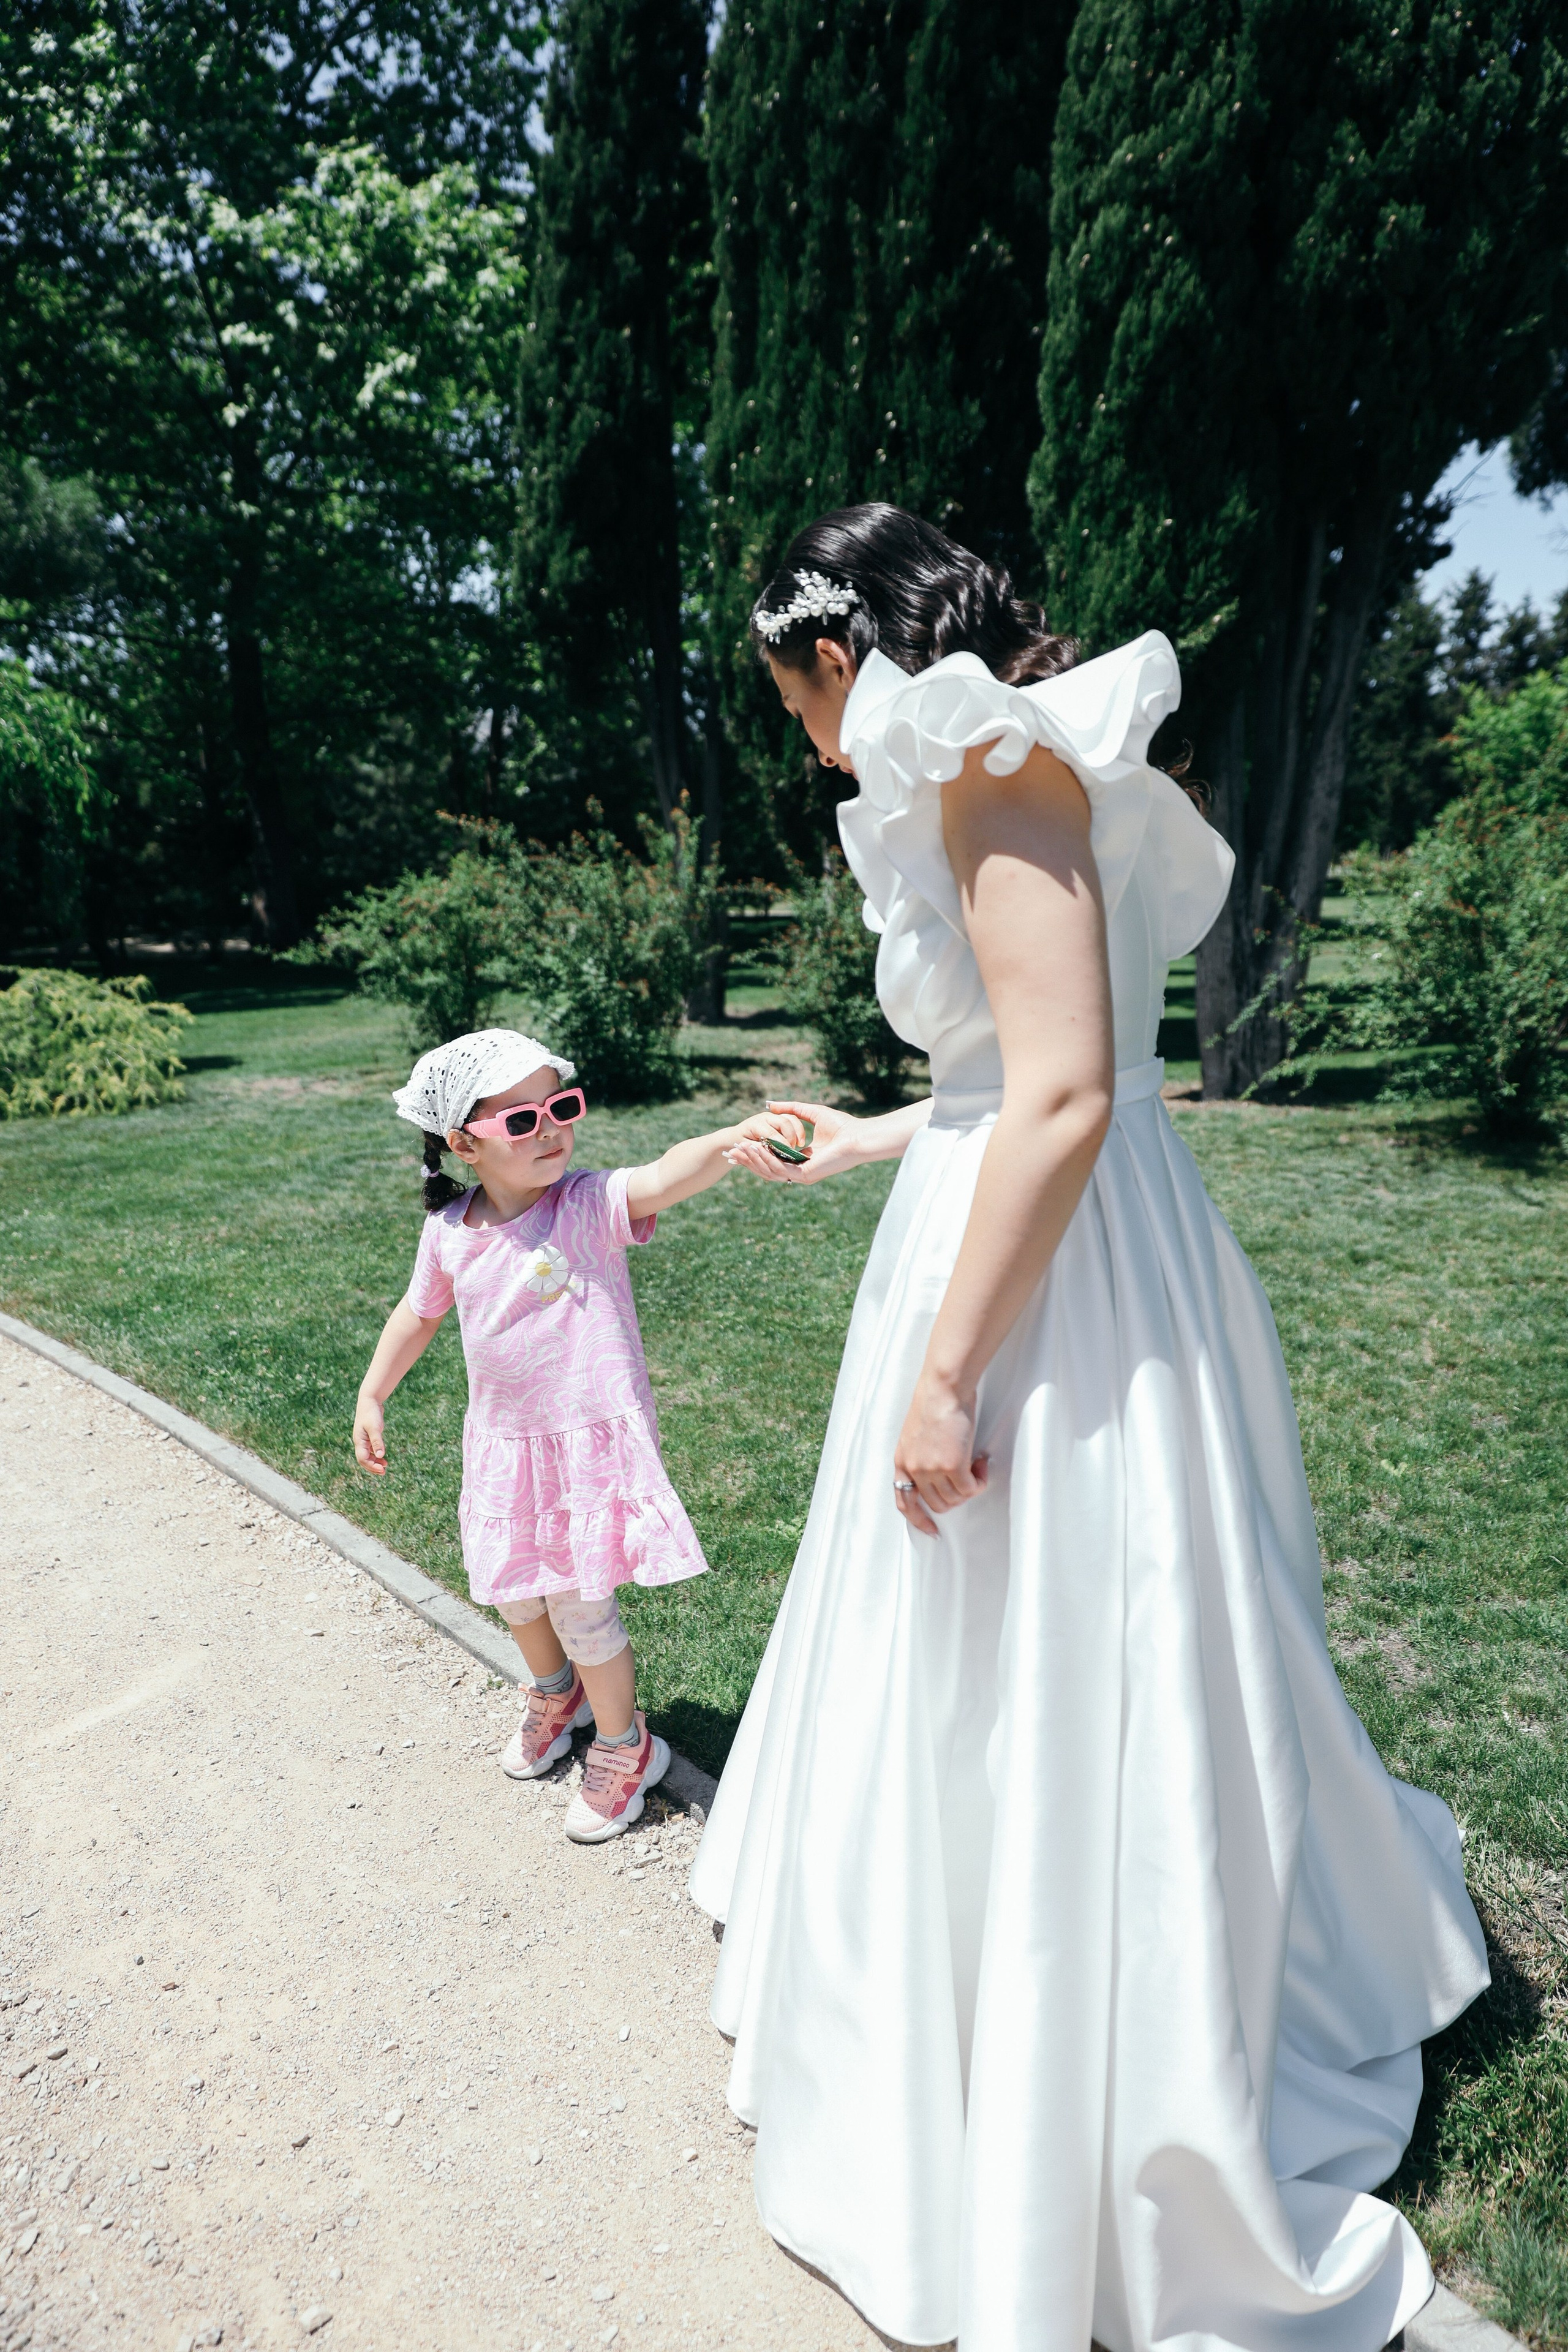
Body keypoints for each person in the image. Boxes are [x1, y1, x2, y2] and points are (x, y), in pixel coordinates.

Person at [694, 506, 1490, 2352]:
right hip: (1068, 1216)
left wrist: (948, 1377)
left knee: (1041, 1624)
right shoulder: (1039, 748)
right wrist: (881, 1133)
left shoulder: (983, 757)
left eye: (792, 700)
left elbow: (1060, 1099)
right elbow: (1038, 1069)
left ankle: (1059, 2060)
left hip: (1054, 1275)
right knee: (1053, 1638)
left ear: (835, 655)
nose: (803, 743)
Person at [353, 1027, 785, 1844]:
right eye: (522, 1120)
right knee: (515, 1591)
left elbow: (662, 1176)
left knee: (582, 1607)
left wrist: (728, 1140)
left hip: (584, 1448)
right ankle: (559, 1695)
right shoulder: (449, 1229)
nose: (550, 1129)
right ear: (464, 1145)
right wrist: (373, 1393)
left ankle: (626, 1747)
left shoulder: (584, 1206)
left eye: (561, 1107)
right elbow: (418, 1313)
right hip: (504, 1446)